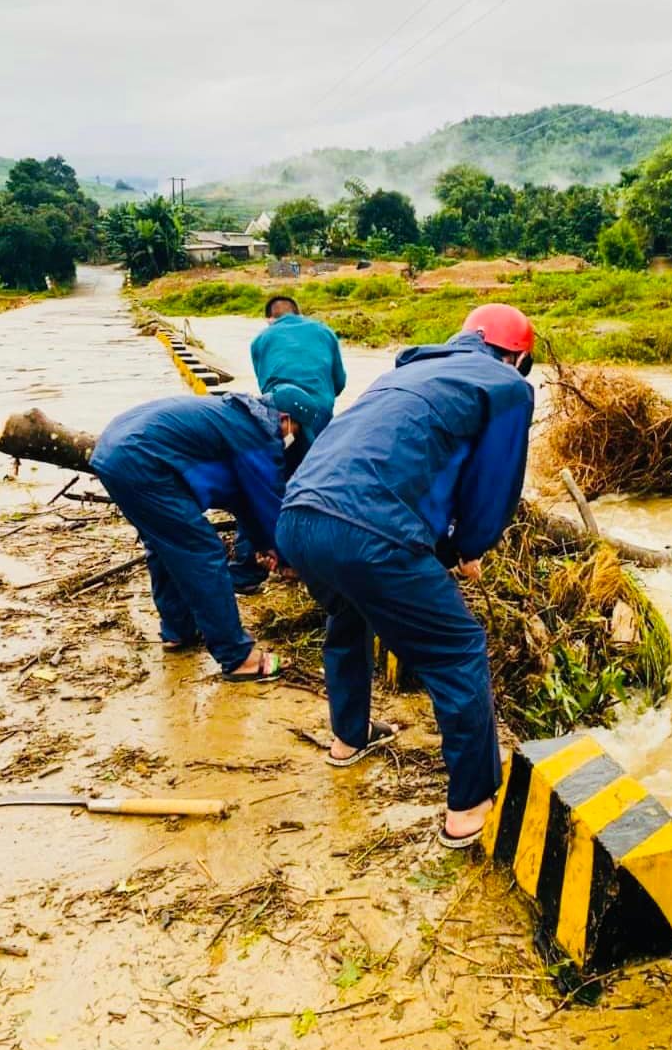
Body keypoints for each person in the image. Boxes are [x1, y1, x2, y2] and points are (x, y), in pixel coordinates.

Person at [275, 303, 536, 846]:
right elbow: (493, 486)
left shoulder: (403, 373)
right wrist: (469, 548)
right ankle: (469, 804)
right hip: (370, 530)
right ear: (516, 356)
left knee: (347, 619)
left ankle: (348, 740)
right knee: (459, 648)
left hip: (297, 518)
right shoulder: (505, 386)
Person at [90, 385, 321, 682]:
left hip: (113, 452)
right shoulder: (260, 435)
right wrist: (289, 559)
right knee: (201, 553)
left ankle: (178, 631)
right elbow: (268, 502)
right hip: (140, 459)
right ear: (285, 419)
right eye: (297, 430)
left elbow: (244, 501)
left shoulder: (238, 418)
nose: (293, 439)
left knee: (165, 547)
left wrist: (264, 546)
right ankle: (239, 658)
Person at [230, 294, 346, 593]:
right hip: (317, 411)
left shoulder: (261, 340)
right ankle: (317, 560)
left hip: (279, 413)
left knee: (267, 481)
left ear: (270, 318)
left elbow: (265, 386)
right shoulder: (324, 331)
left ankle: (247, 573)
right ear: (300, 313)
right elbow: (340, 380)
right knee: (317, 481)